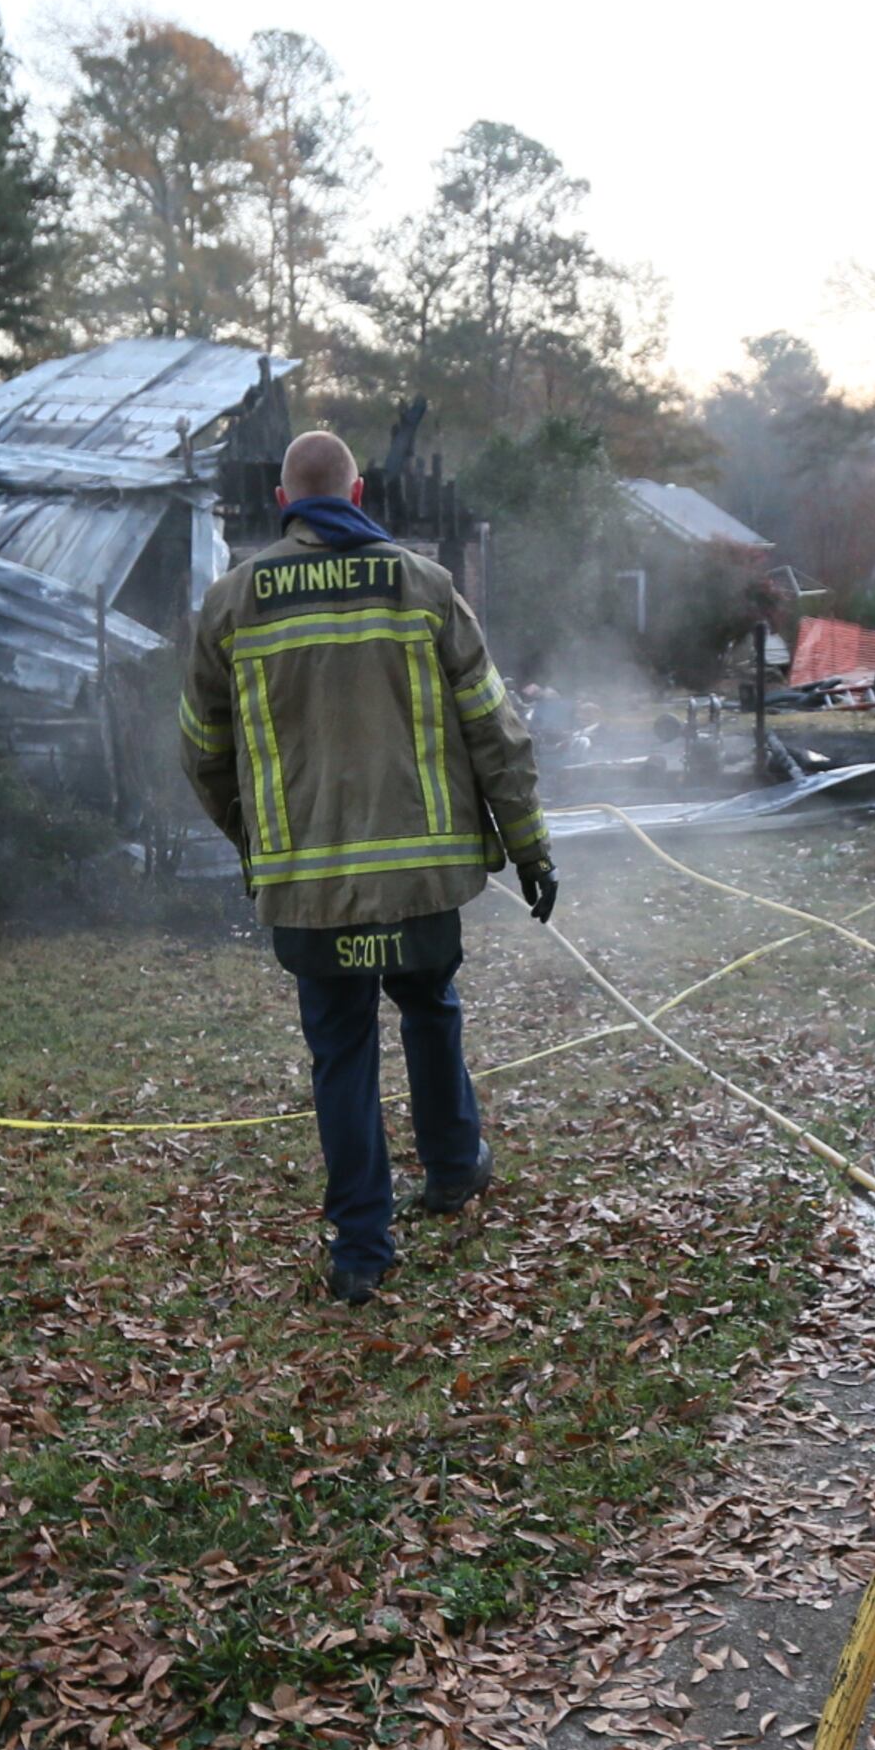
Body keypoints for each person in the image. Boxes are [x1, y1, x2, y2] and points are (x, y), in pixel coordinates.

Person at [182, 431, 556, 1305]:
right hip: (422, 877)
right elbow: (495, 729)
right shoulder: (425, 589)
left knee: (339, 1050)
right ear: (357, 493)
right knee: (429, 1005)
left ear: (284, 501)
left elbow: (202, 747)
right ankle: (455, 1169)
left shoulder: (234, 602)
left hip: (307, 888)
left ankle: (360, 1249)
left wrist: (254, 836)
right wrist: (530, 845)